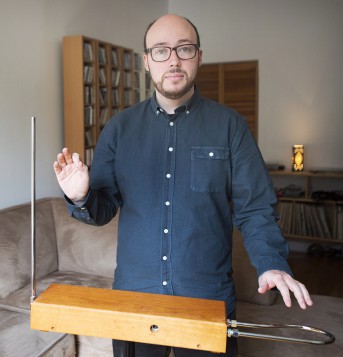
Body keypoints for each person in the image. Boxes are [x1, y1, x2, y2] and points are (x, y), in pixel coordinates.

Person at [54, 14, 313, 357]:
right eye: (161, 50)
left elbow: (256, 209)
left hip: (206, 296)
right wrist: (81, 196)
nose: (173, 60)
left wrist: (272, 262)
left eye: (184, 49)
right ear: (147, 61)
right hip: (135, 297)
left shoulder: (231, 126)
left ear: (199, 56)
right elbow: (101, 211)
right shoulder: (118, 129)